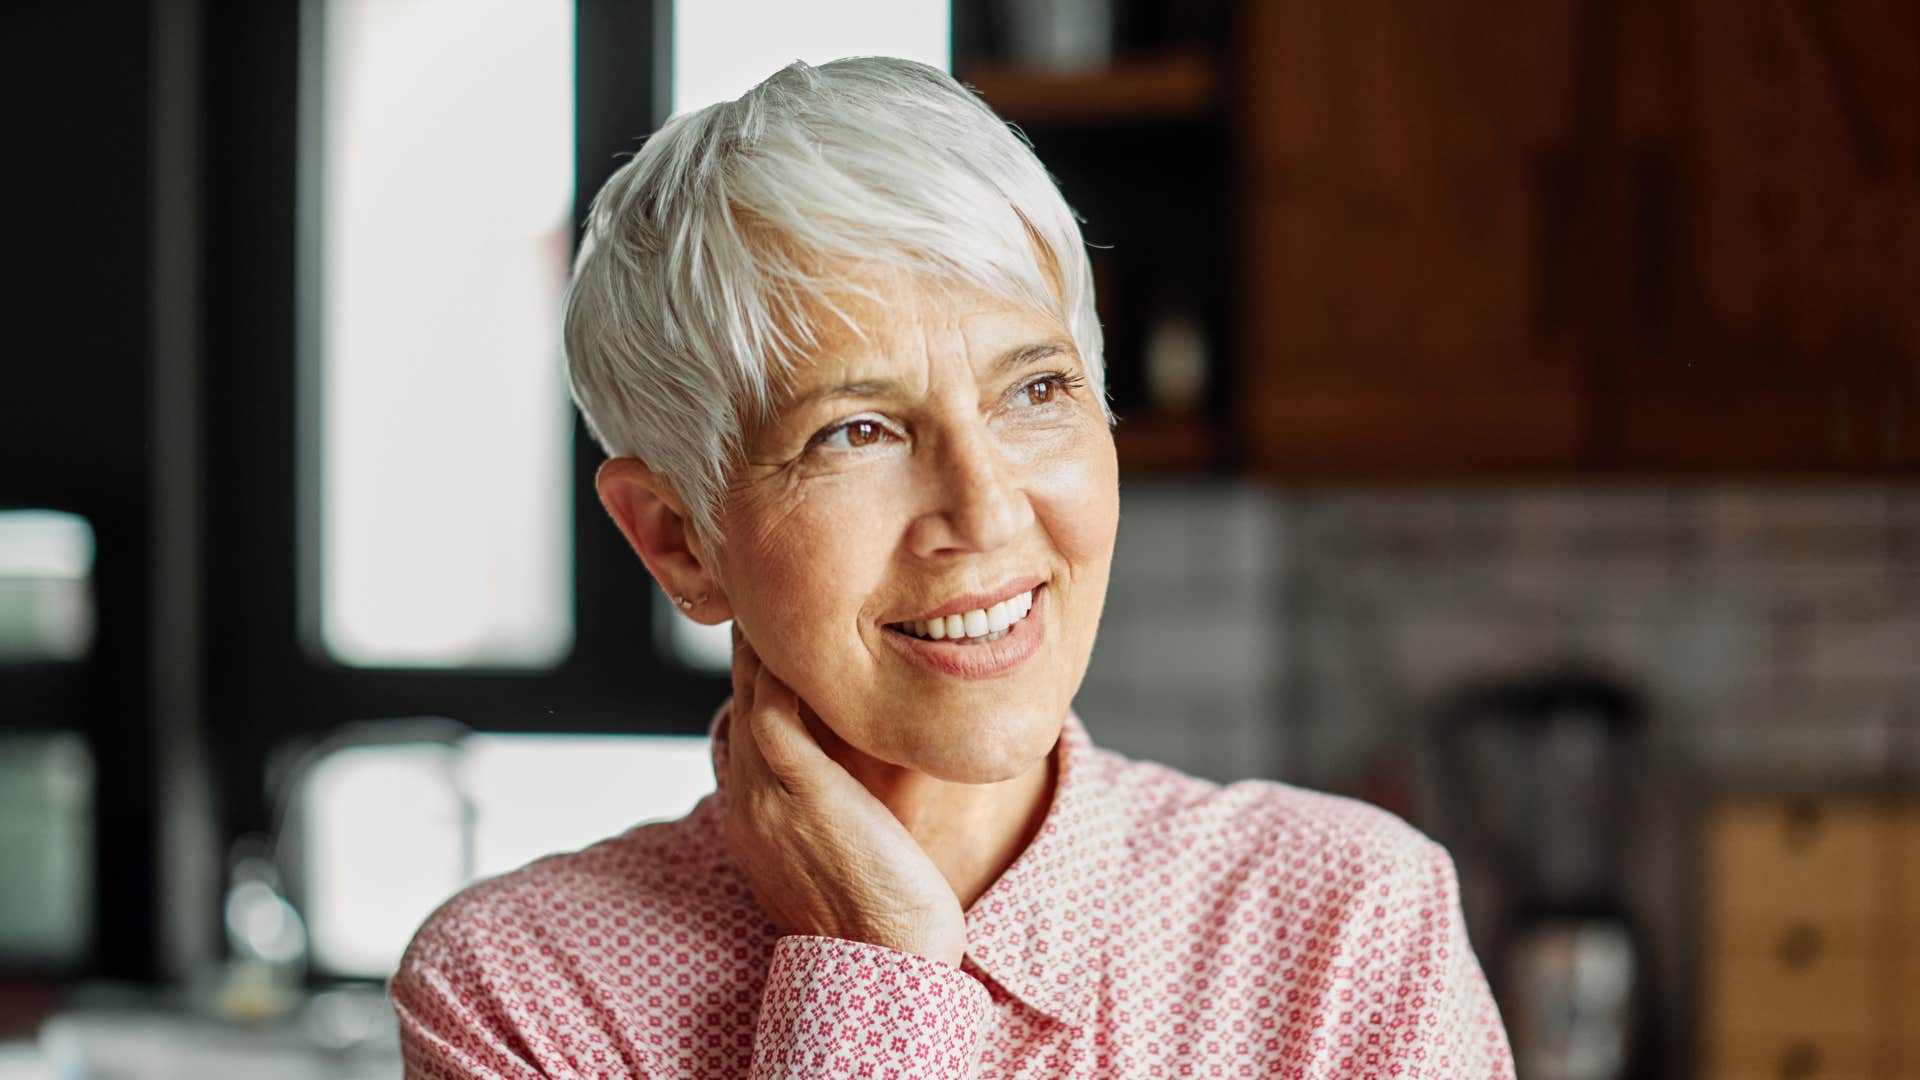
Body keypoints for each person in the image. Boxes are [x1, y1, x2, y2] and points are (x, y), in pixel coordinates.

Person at [389, 56, 1515, 1079]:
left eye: (1037, 389)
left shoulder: (1345, 924)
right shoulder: (526, 996)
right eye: (856, 432)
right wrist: (876, 969)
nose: (985, 512)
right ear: (677, 538)